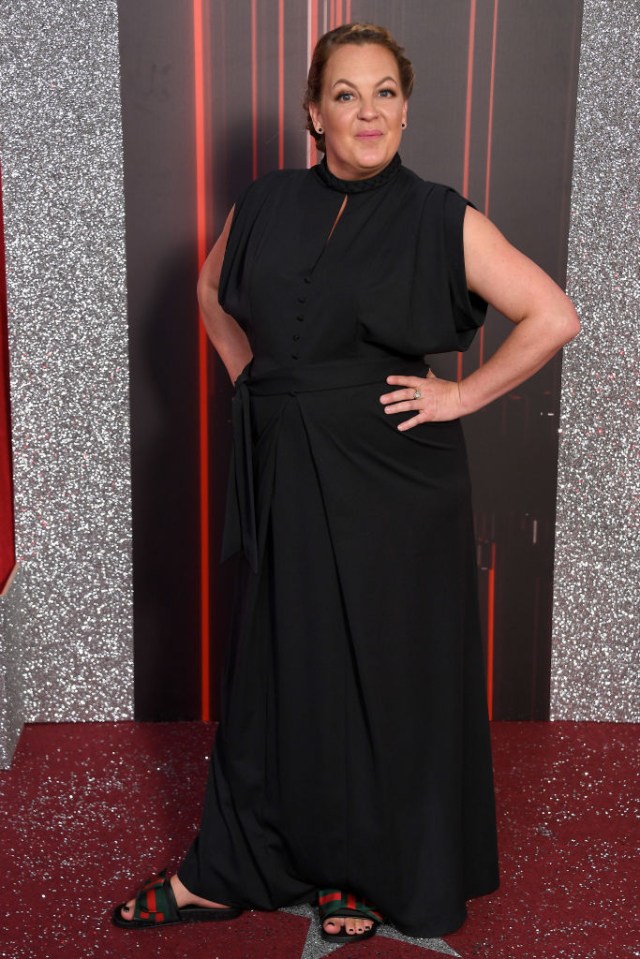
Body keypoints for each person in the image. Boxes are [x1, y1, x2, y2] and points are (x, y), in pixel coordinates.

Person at [114, 22, 579, 943]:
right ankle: (236, 863)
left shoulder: (440, 214)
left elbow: (552, 315)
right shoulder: (266, 200)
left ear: (407, 108)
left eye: (385, 94)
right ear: (312, 114)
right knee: (285, 666)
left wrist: (461, 395)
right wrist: (255, 379)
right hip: (287, 463)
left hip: (394, 482)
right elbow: (210, 294)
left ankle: (359, 871)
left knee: (383, 674)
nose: (368, 112)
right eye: (346, 94)